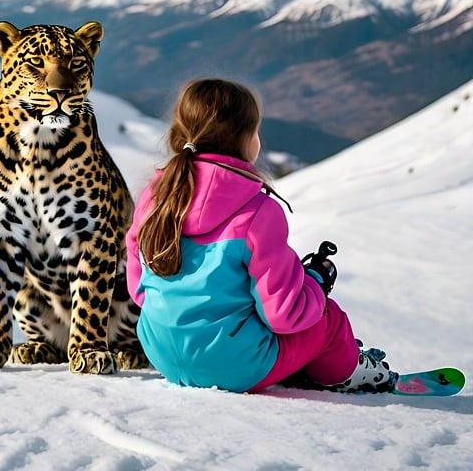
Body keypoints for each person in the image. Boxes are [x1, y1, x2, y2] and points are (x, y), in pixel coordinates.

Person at [126, 78, 397, 394]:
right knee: (328, 319)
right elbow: (284, 315)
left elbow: (140, 289)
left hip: (162, 354)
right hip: (234, 367)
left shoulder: (155, 196)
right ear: (244, 139)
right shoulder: (257, 211)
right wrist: (315, 286)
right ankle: (346, 373)